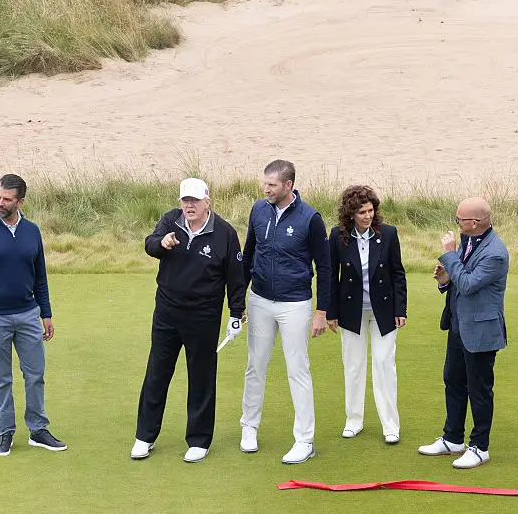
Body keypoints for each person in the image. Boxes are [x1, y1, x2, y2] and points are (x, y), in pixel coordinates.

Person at [133, 178, 247, 463]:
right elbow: (150, 245)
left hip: (203, 316)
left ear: (207, 202)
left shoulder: (224, 233)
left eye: (195, 201)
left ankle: (198, 440)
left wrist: (236, 313)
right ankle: (145, 436)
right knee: (157, 373)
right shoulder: (170, 220)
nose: (189, 206)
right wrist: (162, 243)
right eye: (185, 200)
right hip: (167, 312)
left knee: (201, 377)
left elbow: (235, 278)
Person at [0, 173, 66, 457]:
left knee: (35, 374)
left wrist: (46, 313)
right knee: (2, 378)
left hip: (28, 314)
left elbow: (40, 277)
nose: (0, 203)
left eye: (6, 199)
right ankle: (5, 431)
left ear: (20, 202)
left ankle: (38, 430)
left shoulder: (32, 232)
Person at [240, 160, 332, 464]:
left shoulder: (310, 218)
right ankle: (249, 426)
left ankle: (304, 440)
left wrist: (321, 311)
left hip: (295, 303)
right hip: (260, 299)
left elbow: (325, 267)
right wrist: (239, 301)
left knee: (297, 369)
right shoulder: (258, 210)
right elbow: (248, 255)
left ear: (288, 185)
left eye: (272, 185)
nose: (266, 189)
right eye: (265, 183)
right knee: (256, 365)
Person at [418, 197, 508, 469]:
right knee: (453, 381)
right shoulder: (467, 240)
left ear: (475, 222)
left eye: (459, 219)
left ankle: (480, 447)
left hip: (481, 330)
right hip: (458, 324)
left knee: (479, 390)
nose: (456, 223)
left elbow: (468, 284)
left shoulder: (495, 253)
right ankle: (453, 439)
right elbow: (459, 279)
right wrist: (445, 280)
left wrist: (449, 255)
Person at [327, 185, 407, 444]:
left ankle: (390, 425)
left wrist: (400, 309)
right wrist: (330, 312)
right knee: (353, 366)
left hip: (384, 310)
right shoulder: (337, 236)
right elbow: (331, 276)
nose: (368, 216)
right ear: (350, 214)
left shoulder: (389, 234)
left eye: (371, 210)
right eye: (362, 212)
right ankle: (354, 420)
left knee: (384, 364)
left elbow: (398, 273)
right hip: (351, 310)